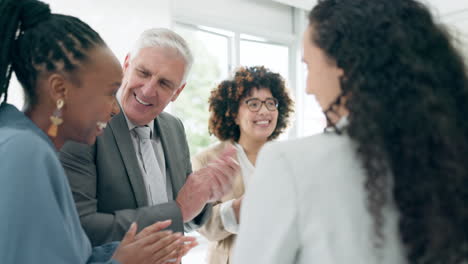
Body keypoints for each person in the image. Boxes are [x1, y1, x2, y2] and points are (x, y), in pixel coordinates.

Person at [233, 0, 468, 263]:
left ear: (345, 63)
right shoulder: (451, 157)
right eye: (252, 104)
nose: (308, 87)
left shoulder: (289, 164)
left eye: (309, 66)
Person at [0, 0, 197, 263]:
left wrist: (119, 255)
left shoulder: (26, 144)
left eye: (164, 83)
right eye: (108, 92)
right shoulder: (25, 150)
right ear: (60, 91)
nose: (115, 109)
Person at [59, 28, 239, 246]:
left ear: (178, 92)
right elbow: (81, 226)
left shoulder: (174, 128)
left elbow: (182, 222)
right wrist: (178, 211)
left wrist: (204, 196)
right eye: (143, 73)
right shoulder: (84, 123)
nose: (147, 90)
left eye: (164, 83)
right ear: (126, 65)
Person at [194, 66, 294, 264]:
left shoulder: (289, 158)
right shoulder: (207, 160)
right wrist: (239, 207)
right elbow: (203, 226)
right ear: (233, 113)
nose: (264, 111)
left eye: (270, 103)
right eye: (253, 104)